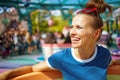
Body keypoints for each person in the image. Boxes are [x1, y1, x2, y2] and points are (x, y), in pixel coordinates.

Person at [0, 0, 120, 80]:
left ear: (96, 33)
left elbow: (113, 63)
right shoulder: (61, 57)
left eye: (79, 27)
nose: (72, 32)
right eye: (72, 27)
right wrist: (5, 75)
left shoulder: (104, 55)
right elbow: (33, 68)